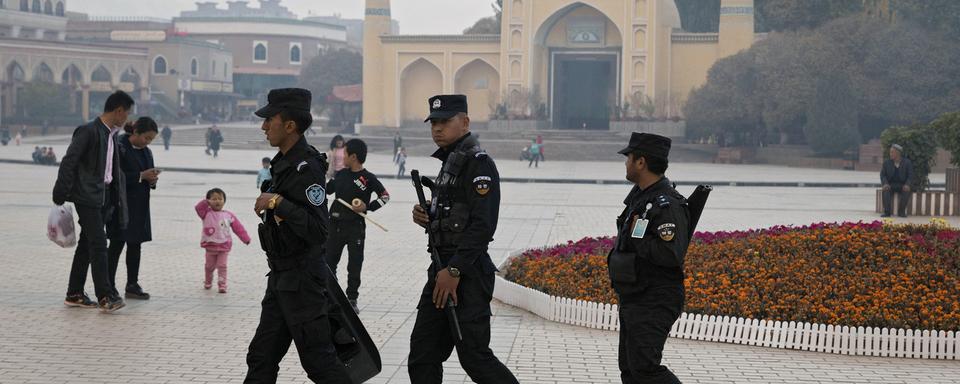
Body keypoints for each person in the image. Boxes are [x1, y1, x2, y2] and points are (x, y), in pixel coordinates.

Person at [409, 94, 518, 383]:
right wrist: (427, 215)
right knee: (423, 354)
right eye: (433, 122)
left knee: (474, 356)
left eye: (445, 121)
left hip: (465, 273)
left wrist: (455, 270)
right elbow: (455, 217)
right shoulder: (452, 162)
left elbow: (483, 226)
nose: (437, 128)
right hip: (441, 270)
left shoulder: (478, 165)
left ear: (465, 122)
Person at [244, 88, 351, 383]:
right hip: (282, 276)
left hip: (303, 282)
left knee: (319, 362)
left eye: (269, 121)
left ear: (290, 125)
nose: (264, 127)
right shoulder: (283, 162)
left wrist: (278, 202)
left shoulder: (307, 167)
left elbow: (319, 230)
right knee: (261, 357)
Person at [608, 132, 690, 384]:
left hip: (655, 297)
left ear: (641, 162)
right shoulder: (641, 197)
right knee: (631, 371)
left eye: (629, 157)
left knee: (645, 369)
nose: (626, 162)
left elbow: (670, 253)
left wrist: (638, 239)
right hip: (636, 295)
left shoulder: (666, 204)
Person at [52, 90, 133, 313]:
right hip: (86, 196)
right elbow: (69, 161)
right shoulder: (88, 131)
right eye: (126, 113)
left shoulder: (111, 134)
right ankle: (106, 295)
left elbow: (110, 169)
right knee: (99, 243)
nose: (126, 118)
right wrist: (60, 193)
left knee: (87, 245)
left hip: (103, 196)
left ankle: (74, 293)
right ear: (118, 111)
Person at [325, 138, 390, 313]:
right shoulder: (341, 175)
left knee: (355, 264)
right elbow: (326, 190)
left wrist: (366, 207)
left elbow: (385, 197)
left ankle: (352, 299)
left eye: (345, 153)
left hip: (355, 227)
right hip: (335, 225)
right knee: (329, 261)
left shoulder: (368, 179)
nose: (342, 156)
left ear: (353, 156)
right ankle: (331, 295)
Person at [107, 117, 160, 300]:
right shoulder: (119, 146)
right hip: (121, 205)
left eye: (151, 140)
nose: (148, 142)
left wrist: (152, 179)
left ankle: (132, 284)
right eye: (146, 138)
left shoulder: (147, 152)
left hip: (140, 206)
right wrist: (139, 176)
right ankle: (108, 285)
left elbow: (148, 175)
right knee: (116, 245)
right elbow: (113, 176)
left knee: (135, 245)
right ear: (135, 132)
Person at [195, 188, 250, 293]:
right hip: (210, 245)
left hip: (224, 246)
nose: (217, 201)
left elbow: (238, 228)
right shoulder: (205, 213)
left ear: (224, 201)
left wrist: (245, 238)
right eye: (214, 199)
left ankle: (222, 284)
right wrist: (206, 202)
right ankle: (208, 281)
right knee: (209, 266)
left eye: (220, 199)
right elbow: (198, 208)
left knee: (222, 266)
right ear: (208, 201)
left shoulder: (228, 215)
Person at [881, 143, 914, 218]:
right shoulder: (887, 163)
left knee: (906, 191)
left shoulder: (907, 163)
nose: (890, 154)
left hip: (902, 184)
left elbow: (910, 175)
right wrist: (885, 183)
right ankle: (887, 212)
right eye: (890, 152)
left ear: (898, 153)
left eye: (892, 152)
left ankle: (901, 212)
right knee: (885, 190)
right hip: (890, 184)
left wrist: (907, 184)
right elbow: (883, 175)